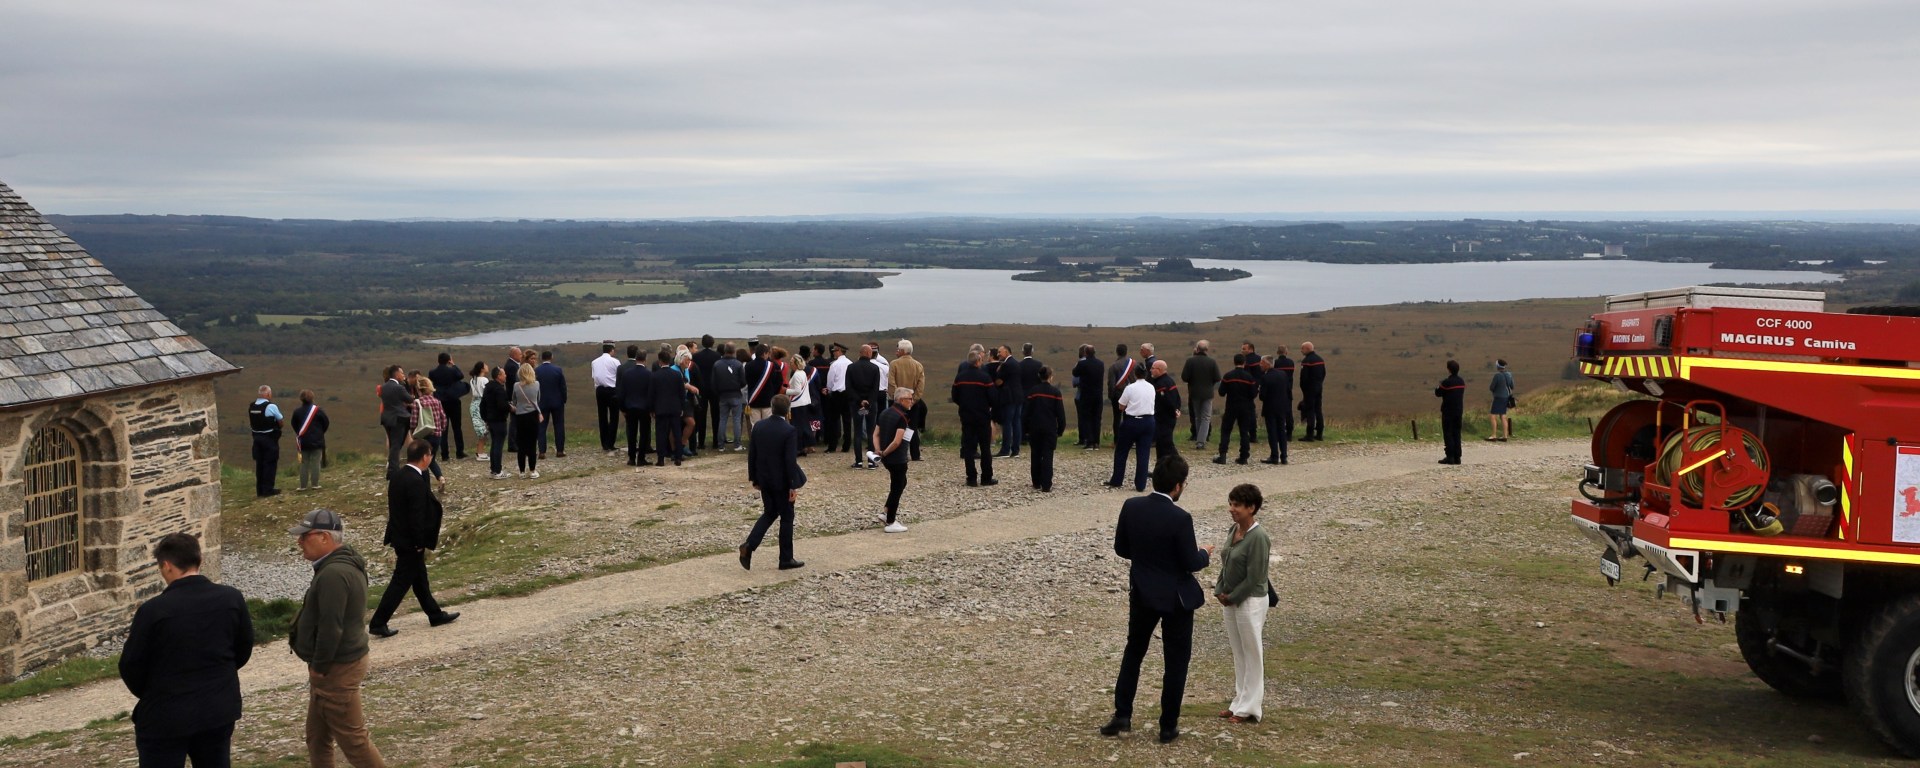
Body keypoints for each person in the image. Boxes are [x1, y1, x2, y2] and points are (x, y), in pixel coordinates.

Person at [1102, 456, 1211, 745]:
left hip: (1142, 591)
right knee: (1175, 661)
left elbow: (1121, 548)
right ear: (1178, 486)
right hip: (1175, 597)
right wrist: (1205, 553)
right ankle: (1167, 725)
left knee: (1134, 652)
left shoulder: (1131, 506)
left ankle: (1122, 714)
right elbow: (1190, 561)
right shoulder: (1180, 518)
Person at [119, 532, 253, 767]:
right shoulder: (231, 599)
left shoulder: (153, 611)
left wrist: (153, 691)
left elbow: (131, 664)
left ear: (167, 566)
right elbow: (242, 649)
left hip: (167, 712)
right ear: (199, 560)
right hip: (217, 708)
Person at [288, 509, 386, 768]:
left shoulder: (334, 573)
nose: (299, 541)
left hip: (336, 667)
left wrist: (320, 667)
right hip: (334, 664)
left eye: (305, 536)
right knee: (317, 737)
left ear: (324, 537)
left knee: (354, 742)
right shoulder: (339, 565)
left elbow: (332, 626)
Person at [369, 440, 458, 637]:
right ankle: (378, 622)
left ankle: (435, 614)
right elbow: (416, 516)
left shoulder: (398, 476)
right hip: (410, 541)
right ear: (425, 457)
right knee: (400, 582)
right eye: (430, 455)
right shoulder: (415, 481)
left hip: (399, 536)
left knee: (419, 579)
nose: (431, 458)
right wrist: (419, 542)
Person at [1214, 483, 1272, 725]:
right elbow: (1226, 561)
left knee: (1252, 653)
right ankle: (1239, 701)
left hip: (1251, 602)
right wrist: (1219, 590)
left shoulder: (1259, 537)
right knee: (1239, 653)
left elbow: (1255, 576)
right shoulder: (1234, 529)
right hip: (1231, 599)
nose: (1231, 509)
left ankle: (1250, 708)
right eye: (1231, 504)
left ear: (1251, 508)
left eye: (1236, 505)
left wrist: (1233, 596)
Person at [740, 394, 807, 571]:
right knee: (787, 517)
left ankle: (749, 545)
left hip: (764, 479)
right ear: (788, 410)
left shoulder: (759, 426)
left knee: (769, 513)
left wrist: (754, 478)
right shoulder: (789, 430)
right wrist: (792, 485)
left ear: (771, 407)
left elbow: (752, 454)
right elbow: (789, 460)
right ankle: (786, 558)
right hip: (782, 481)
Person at [952, 349, 998, 487]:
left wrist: (964, 404)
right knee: (985, 447)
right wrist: (987, 406)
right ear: (978, 361)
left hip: (966, 415)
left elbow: (955, 396)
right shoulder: (985, 377)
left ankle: (971, 478)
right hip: (982, 416)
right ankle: (986, 477)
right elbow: (993, 397)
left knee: (968, 447)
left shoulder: (960, 377)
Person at [873, 387, 916, 532]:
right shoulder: (902, 417)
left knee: (901, 482)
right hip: (897, 458)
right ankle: (891, 522)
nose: (912, 401)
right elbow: (897, 441)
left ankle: (886, 511)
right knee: (897, 487)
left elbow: (875, 434)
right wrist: (884, 452)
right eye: (910, 399)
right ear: (902, 400)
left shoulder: (885, 412)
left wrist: (878, 450)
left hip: (887, 458)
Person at [1106, 367, 1156, 492]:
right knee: (1143, 453)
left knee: (1122, 451)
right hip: (1148, 421)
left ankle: (1117, 480)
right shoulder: (1151, 387)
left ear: (1135, 374)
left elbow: (1121, 406)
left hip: (1132, 421)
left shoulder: (1130, 388)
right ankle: (1141, 484)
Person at [1025, 365, 1066, 492]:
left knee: (1035, 455)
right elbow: (1060, 414)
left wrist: (1025, 429)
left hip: (1034, 427)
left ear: (1039, 376)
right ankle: (1046, 484)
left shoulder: (1033, 391)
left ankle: (1036, 482)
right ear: (1050, 377)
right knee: (1048, 455)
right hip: (1049, 428)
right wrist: (1060, 429)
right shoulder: (1055, 392)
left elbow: (1027, 412)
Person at [1214, 354, 1259, 465]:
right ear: (1244, 363)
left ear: (1234, 362)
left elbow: (1221, 392)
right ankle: (1244, 457)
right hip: (1245, 408)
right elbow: (1253, 394)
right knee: (1244, 432)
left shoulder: (1228, 376)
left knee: (1226, 430)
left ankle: (1223, 455)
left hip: (1231, 406)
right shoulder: (1249, 377)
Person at [651, 349, 692, 466]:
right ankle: (678, 457)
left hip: (660, 409)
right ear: (669, 361)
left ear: (659, 361)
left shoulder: (655, 376)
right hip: (675, 408)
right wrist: (682, 408)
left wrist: (652, 409)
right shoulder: (676, 375)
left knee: (661, 434)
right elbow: (681, 393)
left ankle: (661, 459)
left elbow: (652, 394)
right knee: (677, 432)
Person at [845, 344, 883, 469]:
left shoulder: (851, 367)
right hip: (870, 406)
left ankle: (858, 461)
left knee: (857, 432)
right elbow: (875, 388)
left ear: (860, 353)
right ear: (868, 353)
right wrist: (868, 402)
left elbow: (849, 387)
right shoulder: (874, 368)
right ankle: (872, 462)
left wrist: (859, 401)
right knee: (871, 432)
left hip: (857, 406)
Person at [427, 352, 468, 461]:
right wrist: (453, 365)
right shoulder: (452, 371)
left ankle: (445, 454)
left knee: (443, 429)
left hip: (440, 402)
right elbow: (461, 375)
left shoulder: (432, 372)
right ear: (448, 360)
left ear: (438, 360)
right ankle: (460, 452)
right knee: (457, 427)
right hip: (454, 401)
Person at [890, 340, 927, 461]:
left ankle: (899, 453)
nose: (896, 351)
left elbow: (891, 383)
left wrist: (897, 398)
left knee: (897, 427)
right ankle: (915, 454)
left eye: (898, 349)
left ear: (902, 351)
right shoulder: (918, 365)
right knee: (912, 427)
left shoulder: (894, 364)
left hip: (897, 402)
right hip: (912, 402)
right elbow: (920, 386)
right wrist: (913, 399)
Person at [407, 375, 447, 484]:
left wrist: (413, 433)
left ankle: (425, 486)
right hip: (437, 435)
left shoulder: (417, 402)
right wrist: (441, 430)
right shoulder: (437, 401)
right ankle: (441, 478)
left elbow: (413, 422)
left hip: (423, 436)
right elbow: (443, 418)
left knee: (422, 461)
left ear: (418, 389)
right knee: (431, 459)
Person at [1181, 340, 1220, 450]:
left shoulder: (1190, 361)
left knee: (1197, 417)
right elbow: (1217, 377)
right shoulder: (1212, 362)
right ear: (1207, 350)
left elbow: (1184, 377)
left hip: (1194, 393)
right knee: (1206, 417)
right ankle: (1201, 442)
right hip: (1208, 393)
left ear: (1197, 349)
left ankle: (1199, 439)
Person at [510, 362, 544, 478]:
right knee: (532, 443)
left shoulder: (516, 386)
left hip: (520, 416)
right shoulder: (537, 384)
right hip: (533, 415)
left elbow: (514, 401)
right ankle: (532, 470)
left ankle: (522, 472)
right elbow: (538, 399)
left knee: (521, 444)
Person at [293, 389, 330, 492]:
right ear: (312, 398)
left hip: (302, 442)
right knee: (316, 463)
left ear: (301, 399)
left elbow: (294, 425)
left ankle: (303, 486)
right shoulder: (318, 411)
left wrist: (300, 434)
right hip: (317, 441)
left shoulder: (297, 412)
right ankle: (315, 484)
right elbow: (326, 423)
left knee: (303, 463)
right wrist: (320, 433)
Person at [249, 385, 283, 498]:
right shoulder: (271, 406)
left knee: (260, 464)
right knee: (270, 464)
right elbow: (280, 421)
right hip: (269, 439)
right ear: (268, 394)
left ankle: (260, 490)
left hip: (256, 438)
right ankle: (268, 489)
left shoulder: (252, 406)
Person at [378, 366, 412, 477]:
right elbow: (409, 399)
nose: (403, 375)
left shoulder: (383, 387)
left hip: (386, 418)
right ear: (397, 375)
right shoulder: (399, 388)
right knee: (396, 444)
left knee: (393, 444)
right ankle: (393, 470)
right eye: (402, 373)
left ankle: (393, 467)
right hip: (399, 418)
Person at [480, 365, 513, 479]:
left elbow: (482, 405)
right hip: (499, 421)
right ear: (499, 376)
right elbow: (502, 405)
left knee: (494, 444)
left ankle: (493, 470)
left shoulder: (488, 387)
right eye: (504, 374)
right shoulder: (499, 389)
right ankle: (498, 471)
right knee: (498, 445)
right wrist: (511, 408)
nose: (506, 376)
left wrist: (486, 419)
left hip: (490, 420)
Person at [1258, 355, 1292, 465]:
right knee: (1282, 431)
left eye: (1262, 363)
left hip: (1270, 408)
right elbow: (1288, 390)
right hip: (1282, 407)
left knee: (1272, 432)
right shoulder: (1283, 374)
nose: (1260, 365)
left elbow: (1262, 396)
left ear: (1267, 364)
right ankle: (1284, 456)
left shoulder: (1265, 377)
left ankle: (1274, 456)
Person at [535, 350, 569, 458]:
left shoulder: (537, 371)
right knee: (558, 426)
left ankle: (542, 452)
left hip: (542, 402)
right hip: (557, 402)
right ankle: (560, 450)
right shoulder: (558, 370)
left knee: (541, 427)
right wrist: (564, 399)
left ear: (542, 358)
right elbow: (563, 387)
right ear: (551, 357)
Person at [713, 345, 746, 451]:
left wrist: (719, 392)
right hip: (736, 394)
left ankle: (721, 445)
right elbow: (743, 381)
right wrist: (737, 387)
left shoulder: (717, 364)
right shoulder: (738, 364)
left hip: (723, 395)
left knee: (722, 419)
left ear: (725, 351)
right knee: (736, 420)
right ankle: (737, 445)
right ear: (734, 351)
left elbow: (713, 382)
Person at [1071, 344, 1105, 449]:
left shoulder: (1082, 364)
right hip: (1098, 395)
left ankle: (1089, 442)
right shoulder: (1100, 363)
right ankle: (1096, 442)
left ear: (1085, 353)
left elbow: (1075, 372)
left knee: (1087, 418)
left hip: (1086, 395)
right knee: (1097, 418)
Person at [993, 344, 1024, 457]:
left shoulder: (1006, 365)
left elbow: (999, 382)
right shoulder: (1017, 363)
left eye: (1000, 352)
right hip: (1018, 396)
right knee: (1016, 423)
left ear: (1006, 352)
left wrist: (997, 372)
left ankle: (1005, 450)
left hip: (1009, 397)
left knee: (1007, 422)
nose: (998, 354)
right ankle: (1015, 450)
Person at [1150, 360, 1183, 467]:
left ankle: (1180, 466)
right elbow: (1177, 398)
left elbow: (1168, 400)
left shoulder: (1162, 384)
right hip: (1166, 418)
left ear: (1159, 370)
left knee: (1167, 444)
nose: (1151, 370)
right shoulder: (1169, 380)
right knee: (1160, 445)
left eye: (1153, 368)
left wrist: (1174, 410)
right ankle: (1160, 468)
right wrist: (1177, 409)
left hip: (1164, 419)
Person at [592, 342, 622, 453]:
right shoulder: (615, 361)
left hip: (600, 390)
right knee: (614, 417)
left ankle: (604, 442)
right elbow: (619, 376)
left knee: (602, 416)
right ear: (612, 350)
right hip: (612, 390)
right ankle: (611, 442)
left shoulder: (594, 362)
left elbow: (594, 377)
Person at [693, 335, 722, 452]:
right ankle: (715, 442)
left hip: (701, 388)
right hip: (714, 388)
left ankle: (701, 442)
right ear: (712, 343)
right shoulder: (717, 356)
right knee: (716, 415)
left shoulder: (696, 356)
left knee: (701, 416)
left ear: (702, 343)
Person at [745, 343, 785, 427]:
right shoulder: (772, 365)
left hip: (754, 401)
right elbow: (779, 381)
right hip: (768, 400)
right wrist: (773, 392)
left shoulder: (748, 366)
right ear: (764, 354)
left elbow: (746, 381)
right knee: (768, 426)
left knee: (755, 426)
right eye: (767, 353)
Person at [823, 342, 851, 453]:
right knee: (847, 420)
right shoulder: (850, 363)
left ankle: (832, 445)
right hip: (848, 394)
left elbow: (830, 381)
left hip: (836, 394)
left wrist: (829, 390)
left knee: (834, 420)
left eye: (834, 351)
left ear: (839, 351)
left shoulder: (835, 364)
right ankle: (847, 445)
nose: (833, 353)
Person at [1436, 359, 1466, 465]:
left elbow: (1438, 393)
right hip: (1459, 410)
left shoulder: (1447, 382)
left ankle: (1450, 456)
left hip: (1448, 411)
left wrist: (1439, 386)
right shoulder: (1461, 381)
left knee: (1448, 433)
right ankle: (1458, 457)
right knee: (1457, 433)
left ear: (1448, 370)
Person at [1107, 343, 1136, 445]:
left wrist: (1111, 396)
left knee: (1117, 418)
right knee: (1130, 418)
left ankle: (1117, 441)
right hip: (1132, 396)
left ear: (1117, 352)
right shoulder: (1134, 365)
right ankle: (1130, 440)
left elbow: (1111, 384)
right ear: (1126, 352)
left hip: (1118, 395)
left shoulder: (1113, 366)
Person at [1298, 341, 1326, 441]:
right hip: (1318, 387)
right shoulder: (1320, 360)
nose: (1301, 350)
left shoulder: (1306, 361)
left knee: (1310, 411)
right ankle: (1319, 433)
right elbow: (1323, 373)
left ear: (1307, 349)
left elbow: (1304, 378)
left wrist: (1304, 389)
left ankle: (1309, 435)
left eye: (1302, 348)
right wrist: (1319, 383)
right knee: (1318, 410)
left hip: (1309, 389)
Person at [467, 362, 492, 465]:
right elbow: (487, 394)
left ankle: (480, 451)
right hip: (482, 404)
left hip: (474, 404)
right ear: (482, 369)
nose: (487, 367)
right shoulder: (484, 380)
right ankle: (480, 452)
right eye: (485, 365)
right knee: (484, 430)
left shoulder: (472, 380)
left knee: (481, 429)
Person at [1271, 345, 1297, 440]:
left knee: (1277, 412)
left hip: (1277, 390)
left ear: (1277, 352)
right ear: (1286, 352)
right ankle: (1289, 433)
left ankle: (1278, 432)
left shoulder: (1275, 363)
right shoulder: (1291, 362)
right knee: (1288, 411)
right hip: (1288, 390)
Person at [1489, 359, 1515, 441]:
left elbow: (1491, 387)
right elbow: (1512, 386)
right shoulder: (1509, 374)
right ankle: (1505, 436)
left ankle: (1493, 435)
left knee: (1493, 415)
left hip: (1498, 397)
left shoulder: (1497, 376)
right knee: (1503, 415)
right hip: (1506, 397)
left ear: (1497, 366)